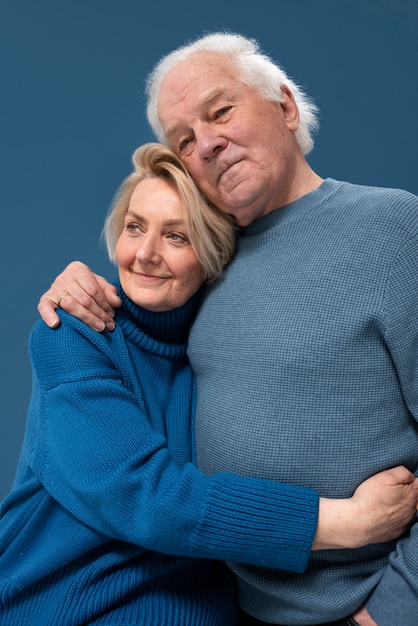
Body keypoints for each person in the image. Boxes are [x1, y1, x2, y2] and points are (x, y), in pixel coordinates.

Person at [36, 32, 418, 626]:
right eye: (184, 139)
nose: (208, 144)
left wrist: (394, 609)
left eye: (221, 112)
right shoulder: (200, 272)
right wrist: (74, 286)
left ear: (286, 108)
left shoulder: (394, 228)